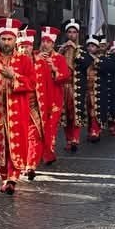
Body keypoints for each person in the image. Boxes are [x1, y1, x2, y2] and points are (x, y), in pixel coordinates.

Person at [0, 18, 39, 194]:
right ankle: (4, 177)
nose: (6, 42)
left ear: (15, 40)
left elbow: (32, 83)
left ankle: (13, 177)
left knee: (16, 143)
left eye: (10, 39)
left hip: (17, 110)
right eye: (3, 39)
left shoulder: (24, 61)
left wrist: (14, 76)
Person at [34, 26, 71, 165]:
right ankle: (35, 154)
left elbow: (65, 77)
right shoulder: (34, 55)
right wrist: (37, 60)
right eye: (43, 41)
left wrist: (54, 69)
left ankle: (48, 153)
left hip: (54, 99)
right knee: (37, 128)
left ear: (53, 44)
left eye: (48, 41)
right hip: (37, 98)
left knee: (50, 128)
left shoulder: (59, 58)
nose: (45, 44)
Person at [17, 29, 45, 180]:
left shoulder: (40, 63)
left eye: (27, 46)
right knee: (19, 137)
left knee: (34, 135)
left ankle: (31, 164)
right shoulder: (12, 63)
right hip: (17, 106)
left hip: (35, 106)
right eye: (21, 46)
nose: (24, 49)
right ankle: (21, 163)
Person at [60, 20, 86, 152]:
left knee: (76, 114)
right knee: (65, 116)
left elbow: (86, 63)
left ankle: (75, 139)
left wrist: (75, 49)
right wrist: (60, 52)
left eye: (74, 32)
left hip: (76, 87)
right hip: (63, 87)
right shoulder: (61, 49)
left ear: (78, 34)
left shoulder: (82, 50)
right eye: (69, 32)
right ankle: (69, 140)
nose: (71, 35)